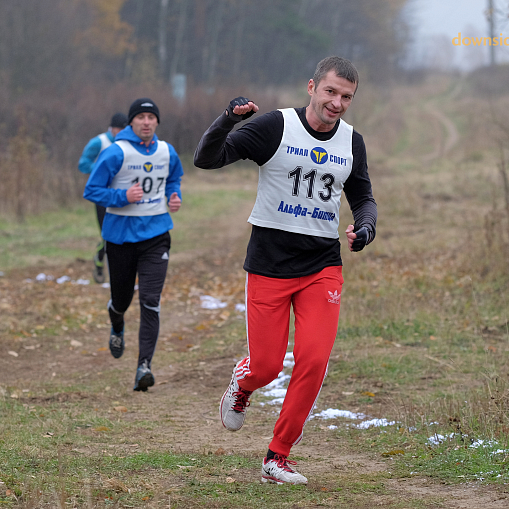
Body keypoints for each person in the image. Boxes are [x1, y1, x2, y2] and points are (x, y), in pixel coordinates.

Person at [194, 56, 377, 484]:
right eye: (330, 92)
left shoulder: (352, 142)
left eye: (346, 97)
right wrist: (226, 119)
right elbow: (207, 158)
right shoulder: (276, 126)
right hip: (269, 266)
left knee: (313, 361)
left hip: (321, 267)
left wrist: (365, 225)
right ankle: (244, 383)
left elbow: (363, 195)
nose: (337, 103)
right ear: (311, 86)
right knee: (268, 367)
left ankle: (277, 456)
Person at [84, 98, 183, 391]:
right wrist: (122, 197)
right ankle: (116, 319)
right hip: (121, 238)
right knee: (123, 300)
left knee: (150, 301)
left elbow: (174, 177)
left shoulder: (167, 151)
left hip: (156, 236)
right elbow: (92, 190)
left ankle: (144, 367)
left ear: (157, 122)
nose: (146, 122)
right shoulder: (117, 152)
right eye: (140, 117)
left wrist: (174, 195)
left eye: (151, 117)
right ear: (131, 122)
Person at [79, 112, 129, 283]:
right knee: (107, 235)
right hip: (103, 196)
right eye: (121, 129)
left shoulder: (129, 142)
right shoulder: (99, 142)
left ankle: (125, 271)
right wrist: (102, 169)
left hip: (123, 196)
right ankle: (100, 261)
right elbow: (83, 164)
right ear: (113, 128)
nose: (123, 132)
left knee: (125, 233)